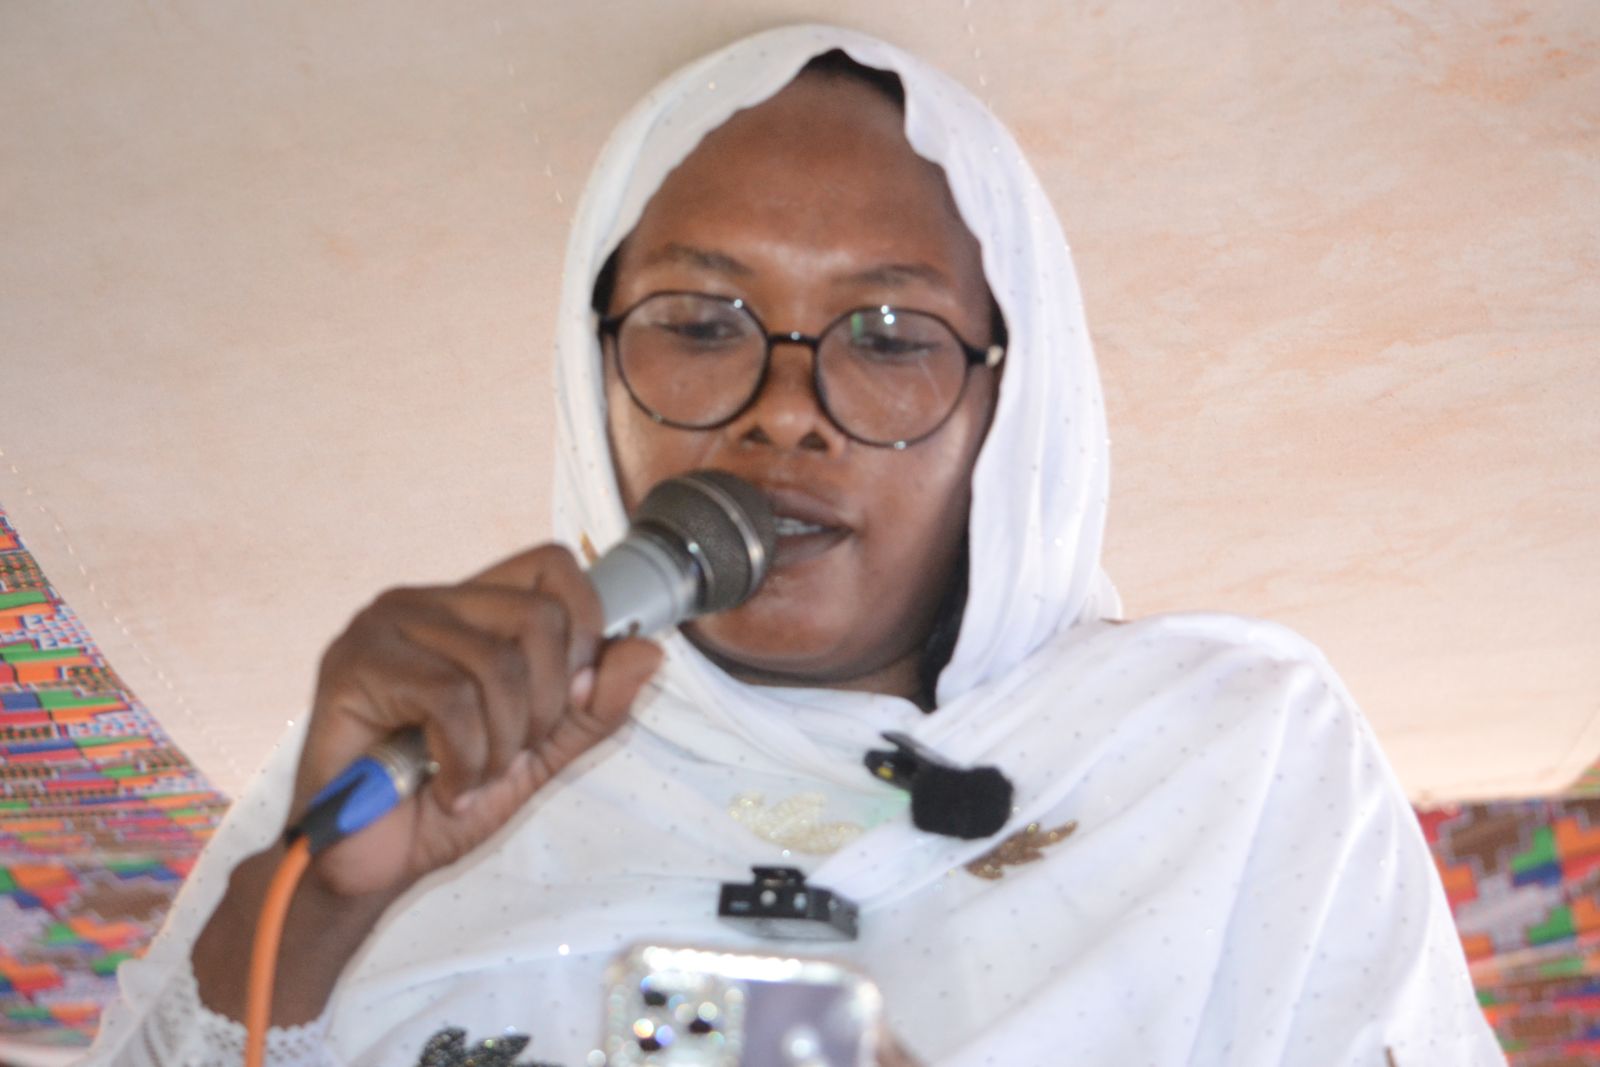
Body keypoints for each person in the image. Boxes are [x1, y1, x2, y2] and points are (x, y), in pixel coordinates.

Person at [80, 24, 1504, 1067]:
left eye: (888, 337)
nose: (782, 411)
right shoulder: (408, 762)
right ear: (593, 373)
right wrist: (312, 913)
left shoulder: (1235, 760)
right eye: (700, 325)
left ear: (1013, 405)